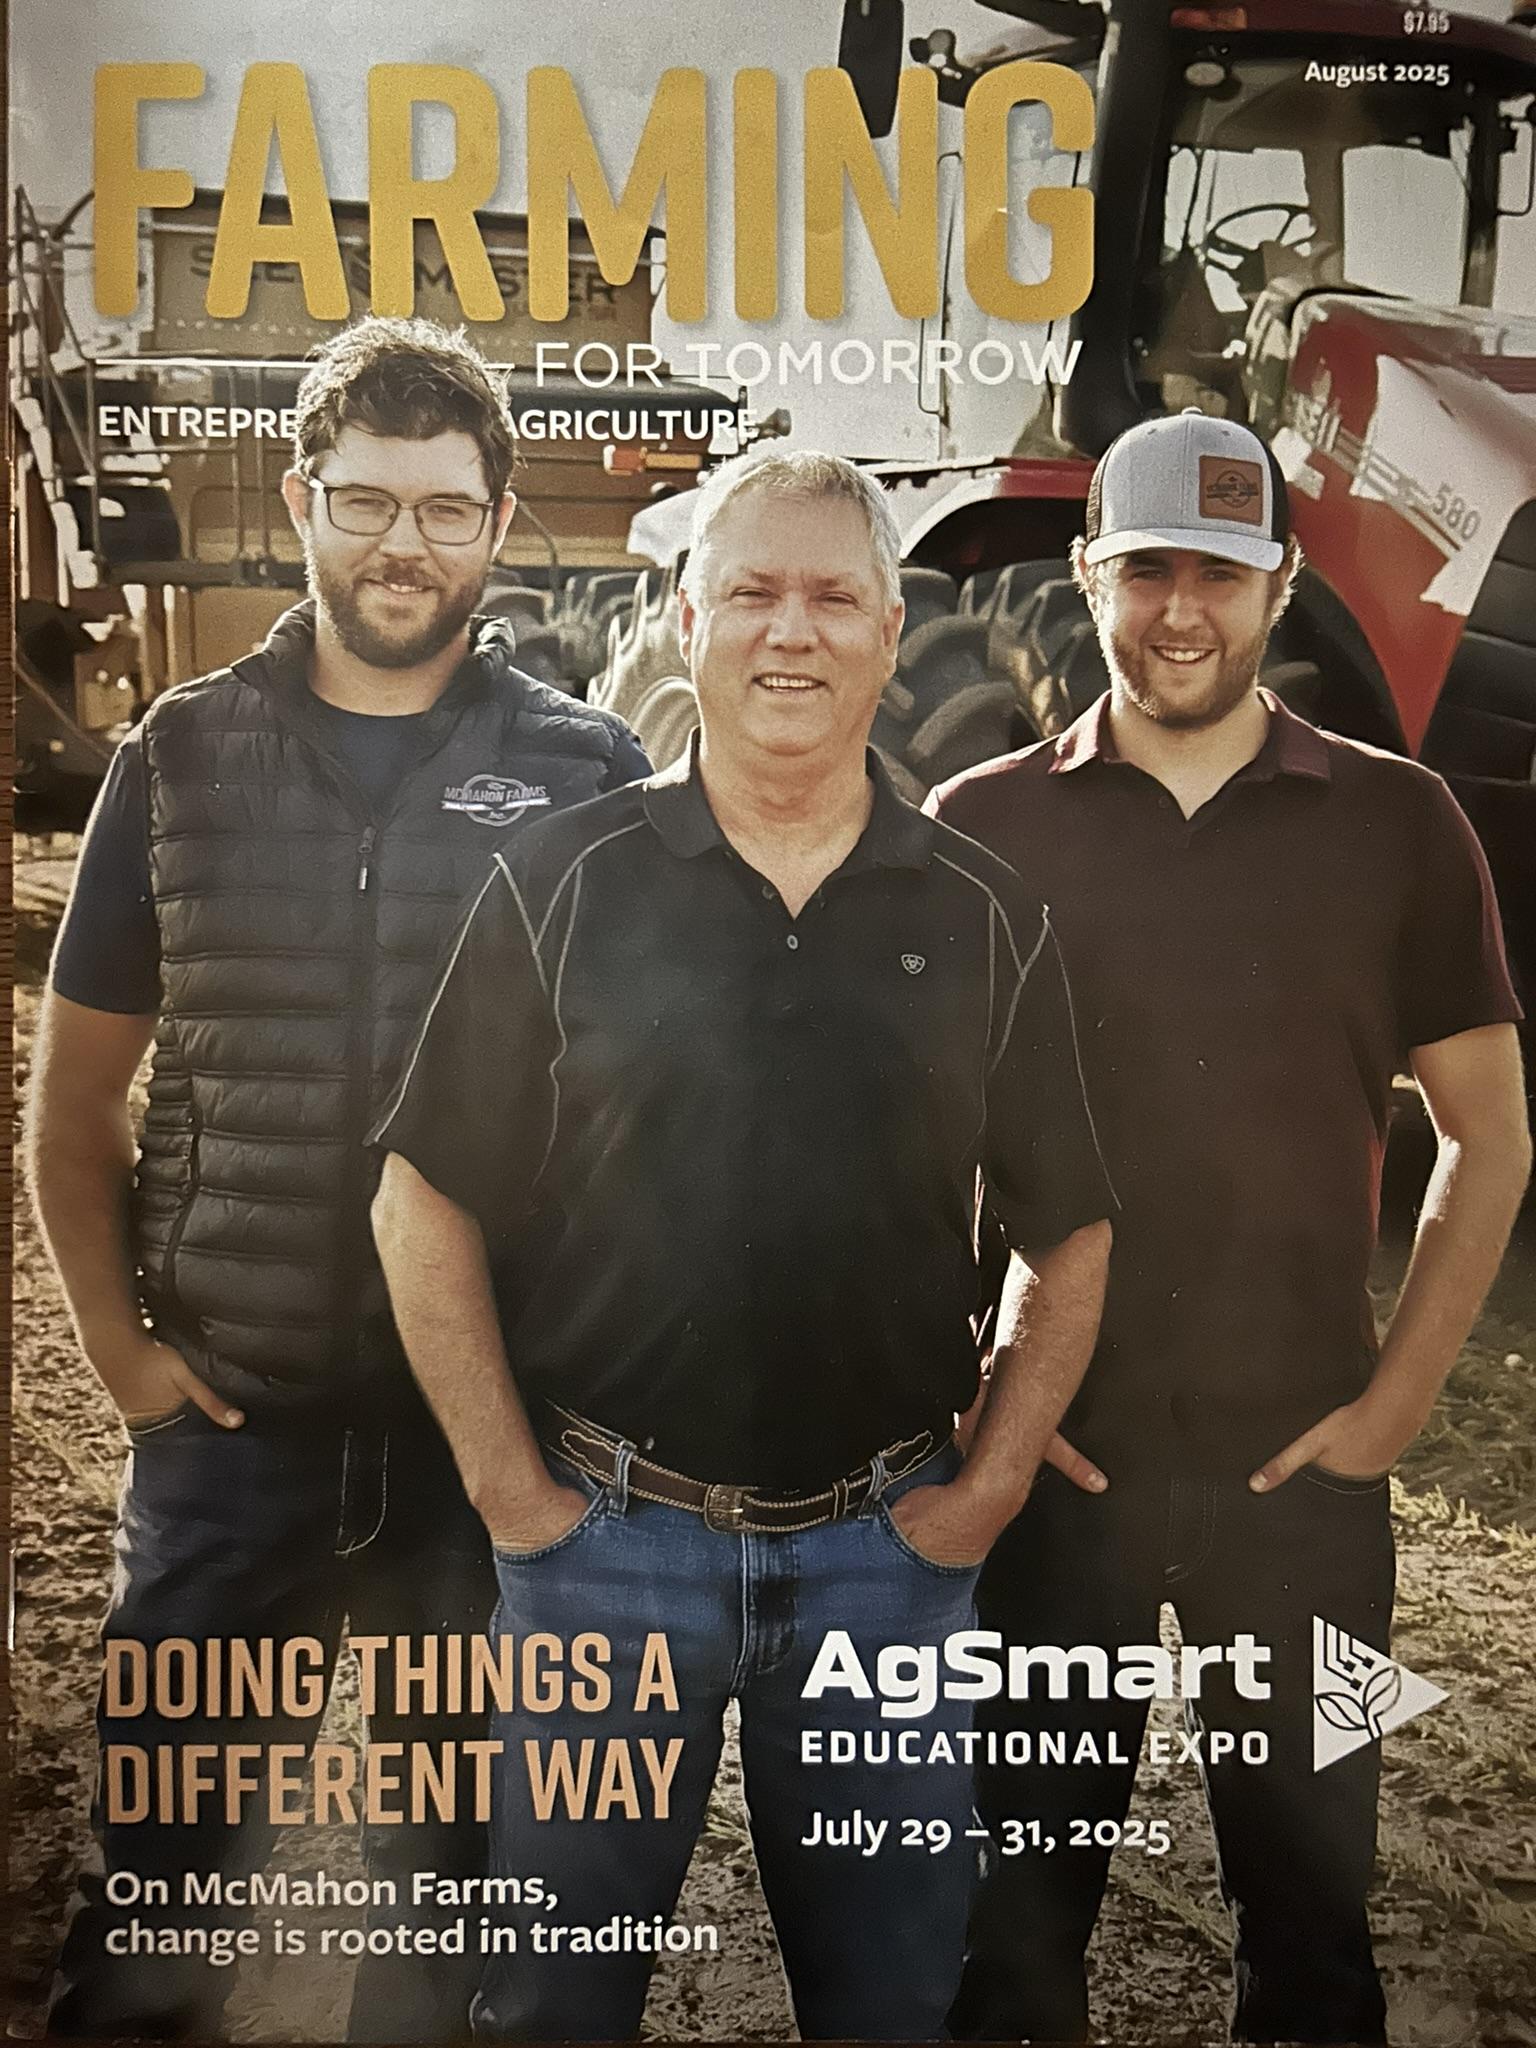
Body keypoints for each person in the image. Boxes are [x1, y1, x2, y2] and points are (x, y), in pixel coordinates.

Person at [369, 445, 1115, 2042]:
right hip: (606, 1552)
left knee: (892, 2002)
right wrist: (515, 1493)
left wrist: (986, 1487)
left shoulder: (985, 909)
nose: (794, 632)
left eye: (835, 596)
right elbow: (420, 1197)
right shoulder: (558, 881)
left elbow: (1072, 1227)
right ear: (687, 616)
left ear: (892, 626)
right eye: (755, 593)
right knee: (555, 2007)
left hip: (886, 1564)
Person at [29, 315, 651, 2042]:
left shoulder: (591, 774)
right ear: (303, 498)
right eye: (366, 501)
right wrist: (127, 1362)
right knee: (153, 1908)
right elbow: (76, 1103)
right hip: (237, 1438)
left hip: (480, 1458)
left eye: (446, 509)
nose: (405, 545)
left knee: (446, 1924)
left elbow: (641, 1121)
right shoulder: (179, 756)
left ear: (499, 517)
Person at [932, 410, 1532, 2045]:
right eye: (1145, 572)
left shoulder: (1401, 823)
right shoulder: (982, 825)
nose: (1178, 610)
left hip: (1307, 1498)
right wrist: (972, 1399)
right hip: (1063, 1480)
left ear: (1279, 586)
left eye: (1218, 570)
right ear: (1086, 576)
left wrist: (1390, 1414)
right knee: (1016, 1930)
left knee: (1318, 1928)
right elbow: (898, 1145)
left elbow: (1489, 1133)